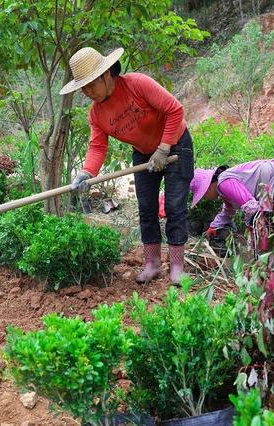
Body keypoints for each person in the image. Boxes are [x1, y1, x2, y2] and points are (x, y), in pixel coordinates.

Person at [60, 47, 194, 285]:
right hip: (144, 154)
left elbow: (175, 110)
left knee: (174, 207)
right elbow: (97, 147)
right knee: (146, 209)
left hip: (175, 145)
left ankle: (177, 267)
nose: (88, 91)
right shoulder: (96, 114)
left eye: (91, 84)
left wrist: (164, 148)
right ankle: (152, 264)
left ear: (106, 74)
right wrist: (86, 173)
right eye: (83, 87)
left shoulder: (137, 84)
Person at [189, 159, 274, 238]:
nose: (204, 198)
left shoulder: (223, 183)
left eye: (203, 195)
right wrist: (214, 226)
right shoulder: (224, 188)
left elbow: (251, 207)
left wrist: (250, 232)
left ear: (208, 188)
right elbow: (228, 211)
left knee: (262, 220)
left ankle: (265, 259)